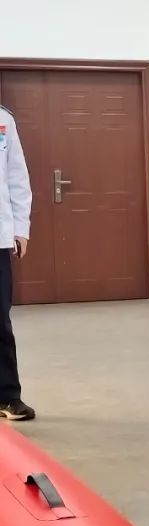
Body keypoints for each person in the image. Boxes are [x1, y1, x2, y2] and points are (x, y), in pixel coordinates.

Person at [0, 106, 33, 422]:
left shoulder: (4, 121)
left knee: (0, 320)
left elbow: (17, 178)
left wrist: (21, 228)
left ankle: (8, 396)